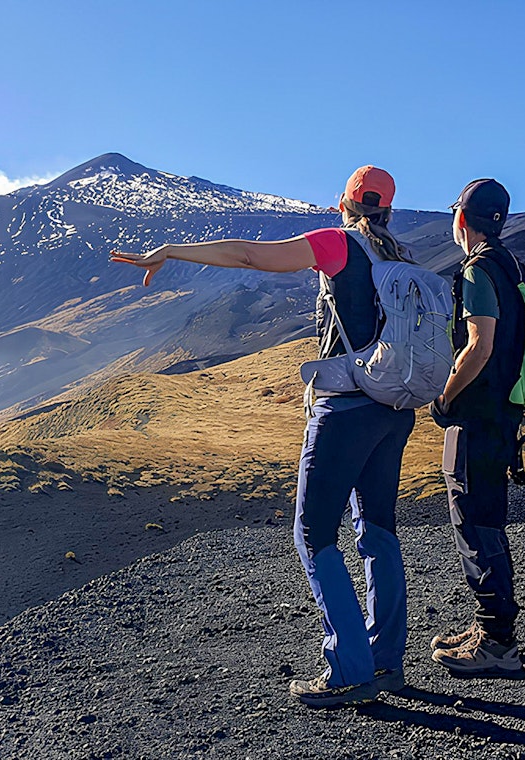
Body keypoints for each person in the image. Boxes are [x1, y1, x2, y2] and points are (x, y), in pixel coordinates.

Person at [111, 166, 414, 707]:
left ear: (344, 205)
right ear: (387, 208)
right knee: (377, 529)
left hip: (345, 408)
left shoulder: (338, 244)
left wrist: (173, 250)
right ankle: (385, 659)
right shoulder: (401, 259)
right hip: (394, 409)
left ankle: (350, 669)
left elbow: (251, 255)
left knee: (314, 533)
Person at [428, 178, 525, 673]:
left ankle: (497, 643)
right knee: (487, 518)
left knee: (475, 524)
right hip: (504, 415)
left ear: (462, 219)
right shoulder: (511, 264)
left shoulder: (476, 271)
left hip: (478, 418)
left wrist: (445, 398)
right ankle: (490, 627)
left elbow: (479, 345)